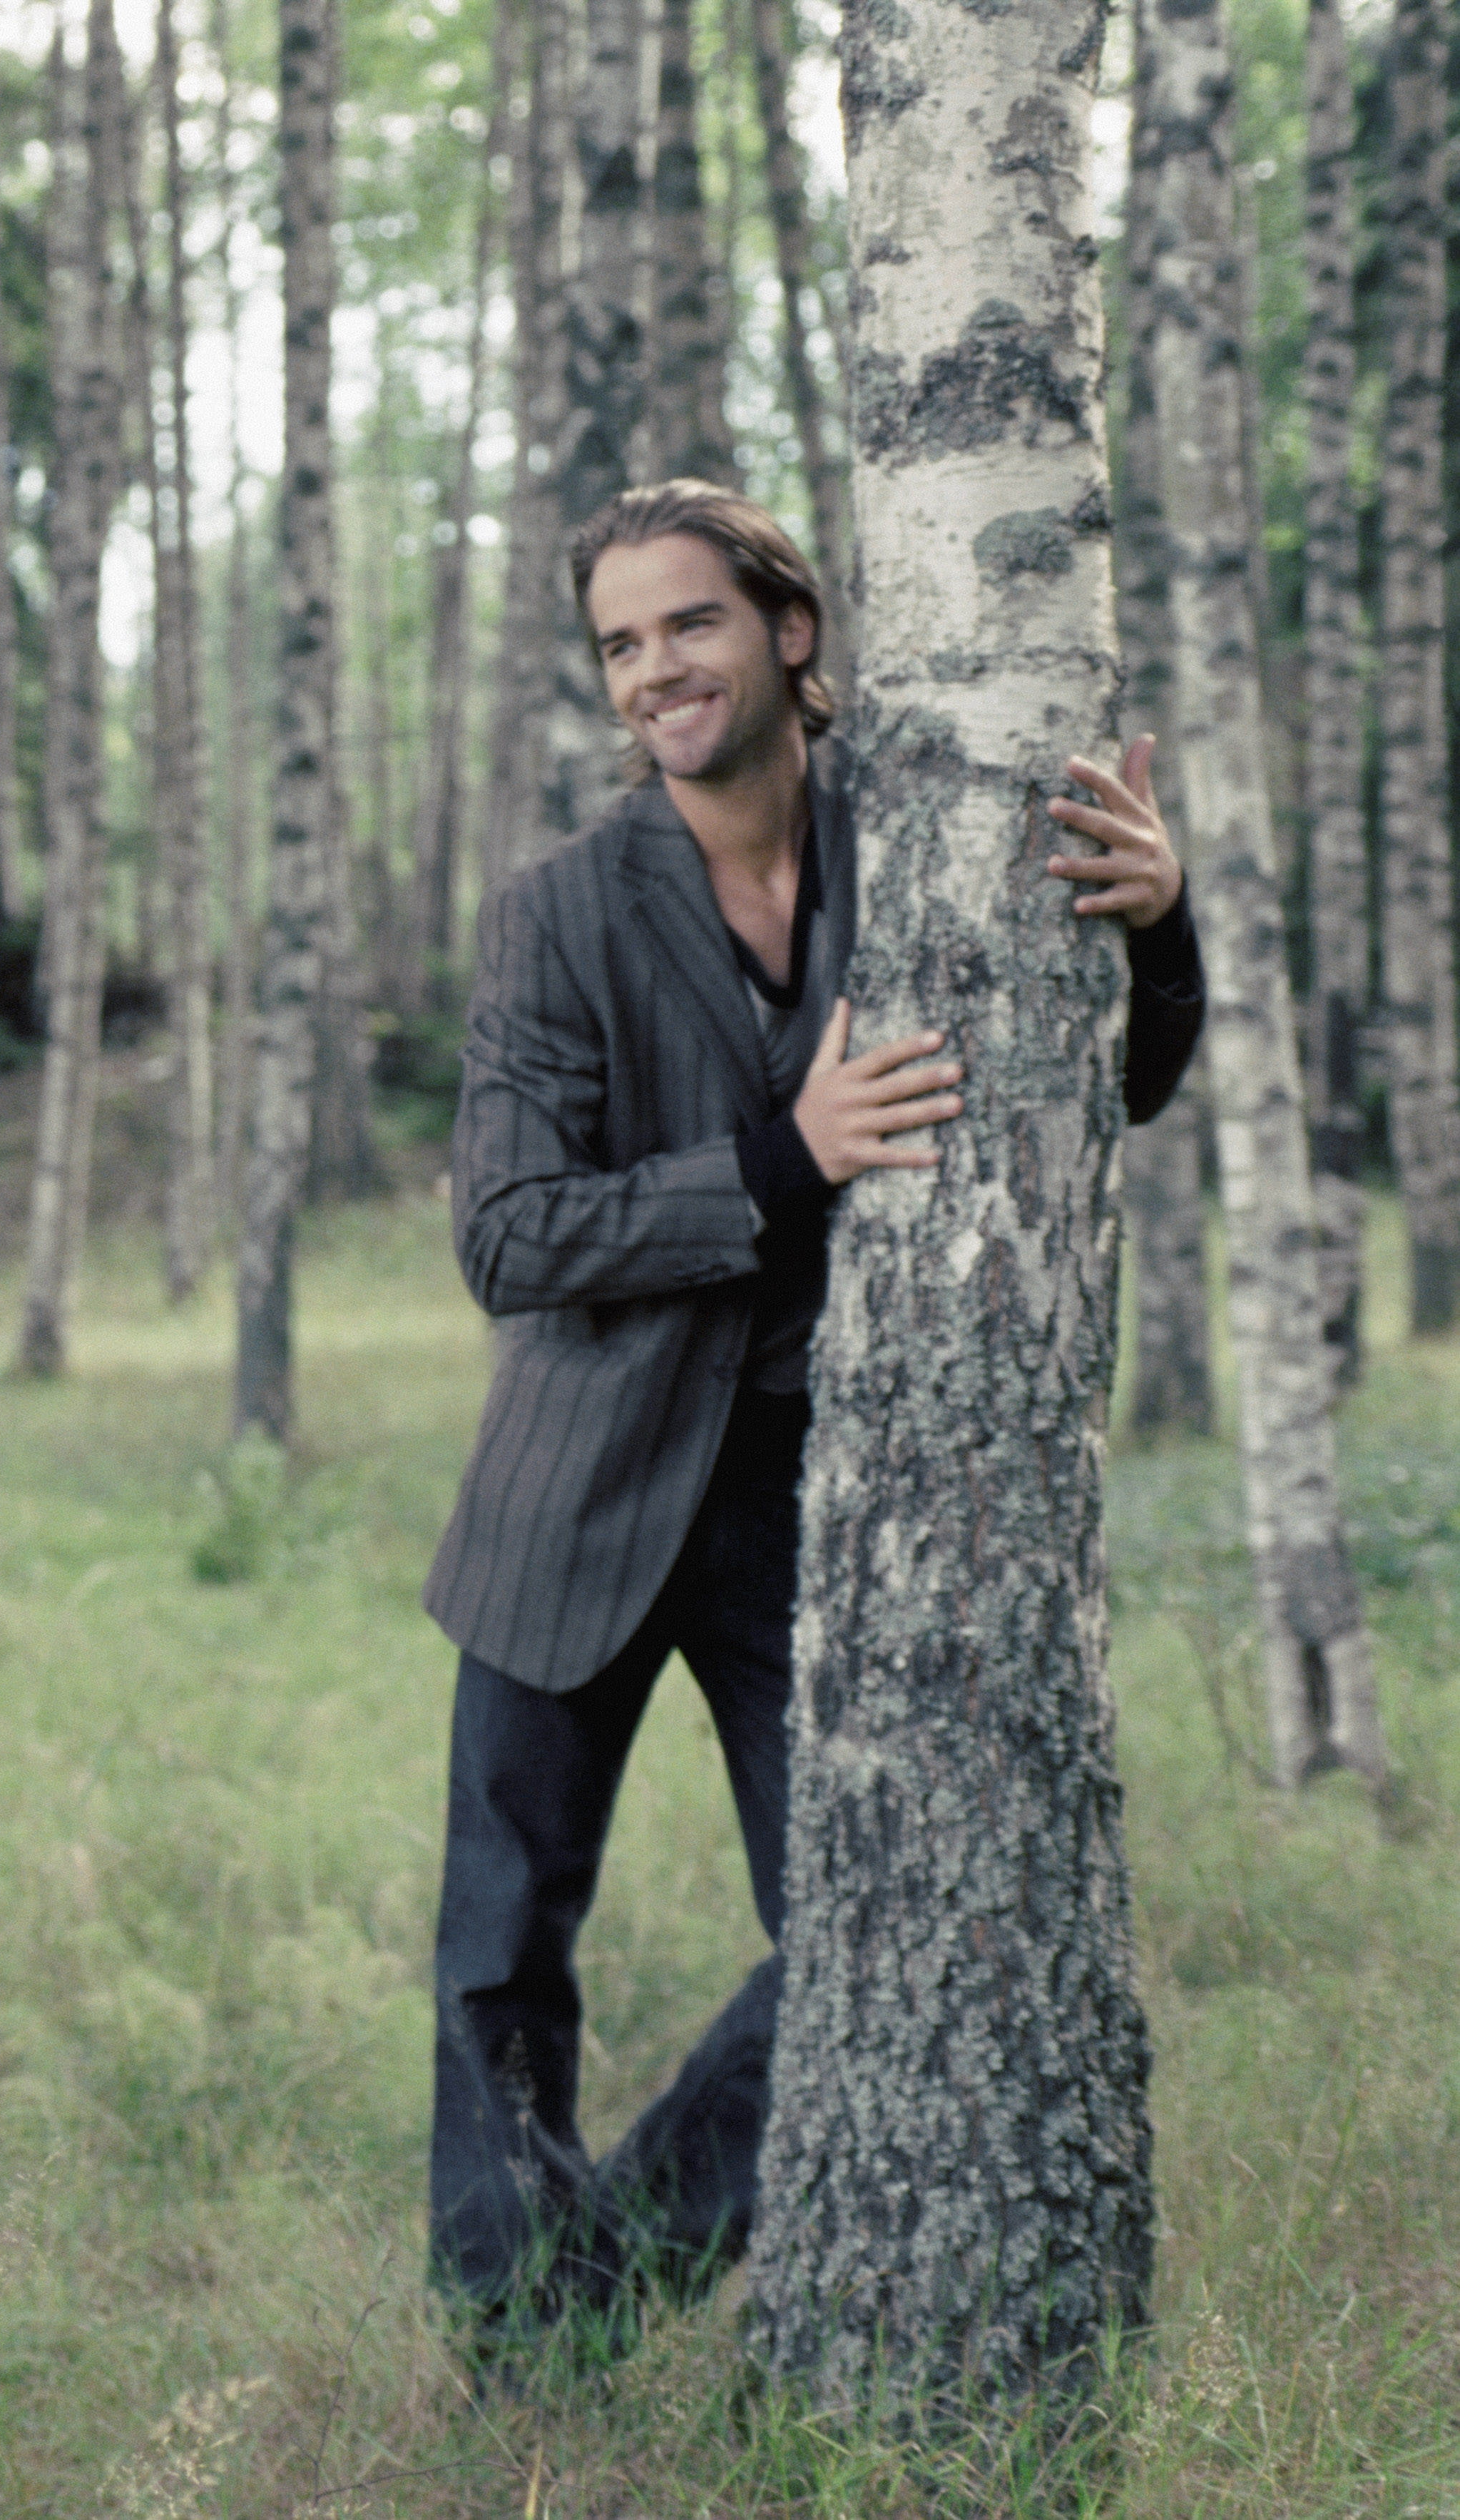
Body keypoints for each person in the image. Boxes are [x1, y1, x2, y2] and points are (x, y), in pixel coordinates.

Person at [420, 481, 1203, 2367]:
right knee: (502, 1966)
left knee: (864, 1920)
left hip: (823, 1499)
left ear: (789, 629)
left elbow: (1115, 1083)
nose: (652, 673)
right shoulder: (561, 911)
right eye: (618, 644)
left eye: (686, 624)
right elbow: (510, 1233)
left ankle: (593, 2273)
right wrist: (782, 1160)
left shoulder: (912, 847)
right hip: (577, 1497)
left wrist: (1162, 928)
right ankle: (519, 2362)